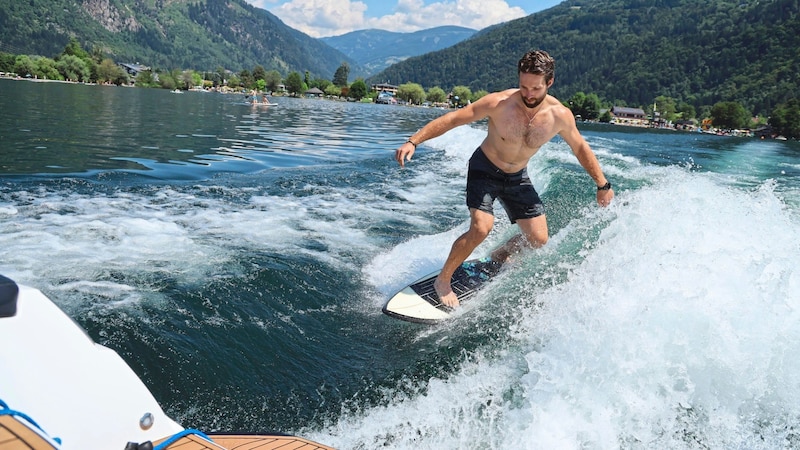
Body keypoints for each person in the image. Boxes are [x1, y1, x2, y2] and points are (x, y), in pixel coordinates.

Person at [394, 50, 614, 308]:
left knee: (539, 239)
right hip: (484, 169)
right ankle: (443, 280)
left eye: (535, 88)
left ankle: (501, 254)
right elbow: (454, 119)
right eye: (523, 86)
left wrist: (602, 184)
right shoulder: (499, 103)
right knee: (481, 227)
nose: (529, 94)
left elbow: (580, 148)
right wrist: (413, 141)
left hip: (517, 176)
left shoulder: (560, 116)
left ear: (549, 83)